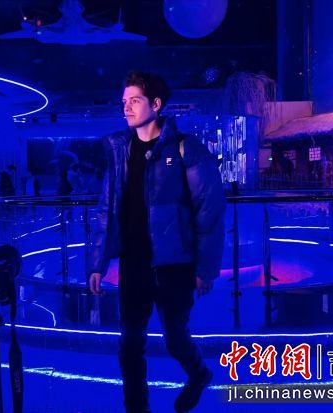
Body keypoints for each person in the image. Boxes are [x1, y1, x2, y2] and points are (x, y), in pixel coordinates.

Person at [89, 71, 225, 413]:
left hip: (174, 263)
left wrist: (205, 268)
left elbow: (209, 210)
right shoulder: (120, 151)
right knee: (130, 344)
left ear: (156, 104)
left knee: (175, 337)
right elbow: (106, 209)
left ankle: (198, 373)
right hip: (133, 262)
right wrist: (97, 263)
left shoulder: (185, 148)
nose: (126, 107)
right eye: (124, 101)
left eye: (135, 100)